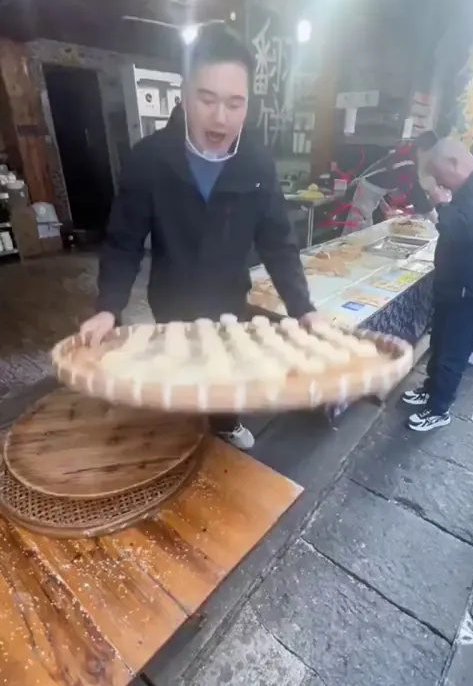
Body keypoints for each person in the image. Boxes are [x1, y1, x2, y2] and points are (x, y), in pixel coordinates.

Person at [80, 26, 319, 450]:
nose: (220, 117)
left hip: (229, 299)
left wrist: (302, 307)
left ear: (248, 104)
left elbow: (278, 243)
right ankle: (181, 432)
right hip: (171, 300)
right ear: (185, 93)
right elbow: (123, 241)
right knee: (182, 376)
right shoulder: (150, 159)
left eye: (234, 103)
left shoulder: (257, 166)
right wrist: (108, 307)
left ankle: (225, 422)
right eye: (207, 99)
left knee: (224, 371)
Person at [402, 137, 473, 431]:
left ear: (454, 163)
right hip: (452, 283)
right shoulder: (466, 185)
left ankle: (439, 408)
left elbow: (460, 230)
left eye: (439, 174)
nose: (438, 181)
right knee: (439, 342)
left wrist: (440, 202)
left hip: (469, 289)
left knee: (453, 352)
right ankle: (430, 389)